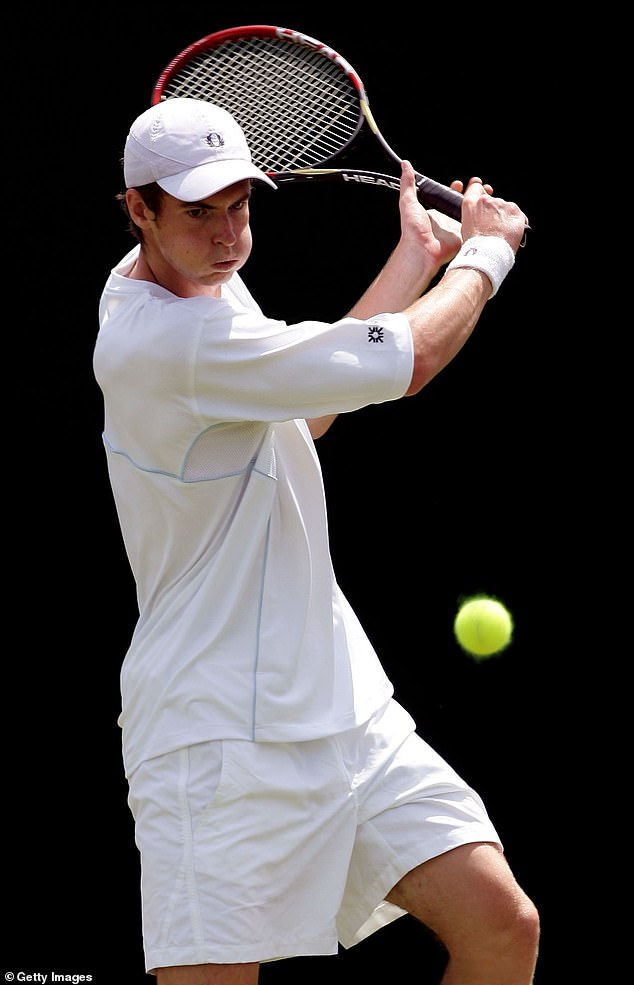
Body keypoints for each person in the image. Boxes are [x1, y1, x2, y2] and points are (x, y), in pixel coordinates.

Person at [94, 97, 540, 984]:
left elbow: (308, 405)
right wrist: (487, 255)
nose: (227, 234)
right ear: (137, 209)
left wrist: (417, 256)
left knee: (501, 925)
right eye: (197, 211)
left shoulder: (197, 279)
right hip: (213, 735)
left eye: (241, 206)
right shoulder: (166, 342)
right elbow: (405, 363)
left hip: (341, 709)